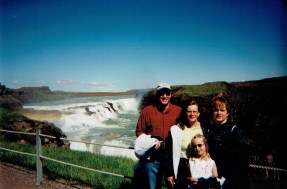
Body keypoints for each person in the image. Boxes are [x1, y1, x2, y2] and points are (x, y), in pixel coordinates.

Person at [134, 83, 182, 189]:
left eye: (167, 93)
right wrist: (151, 142)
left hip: (172, 159)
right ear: (157, 95)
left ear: (171, 94)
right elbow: (139, 131)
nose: (164, 96)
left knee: (173, 186)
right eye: (161, 93)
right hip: (153, 159)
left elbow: (184, 129)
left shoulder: (178, 111)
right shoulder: (147, 111)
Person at [204, 93, 250, 189]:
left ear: (227, 113)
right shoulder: (208, 131)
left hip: (231, 179)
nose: (219, 113)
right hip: (212, 175)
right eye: (216, 110)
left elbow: (241, 161)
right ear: (212, 112)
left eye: (222, 110)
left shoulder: (235, 131)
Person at [164, 100, 203, 189]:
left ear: (198, 113)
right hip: (180, 168)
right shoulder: (177, 129)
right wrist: (169, 173)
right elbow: (169, 152)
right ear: (185, 113)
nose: (192, 114)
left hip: (198, 167)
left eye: (194, 111)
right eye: (189, 111)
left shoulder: (204, 129)